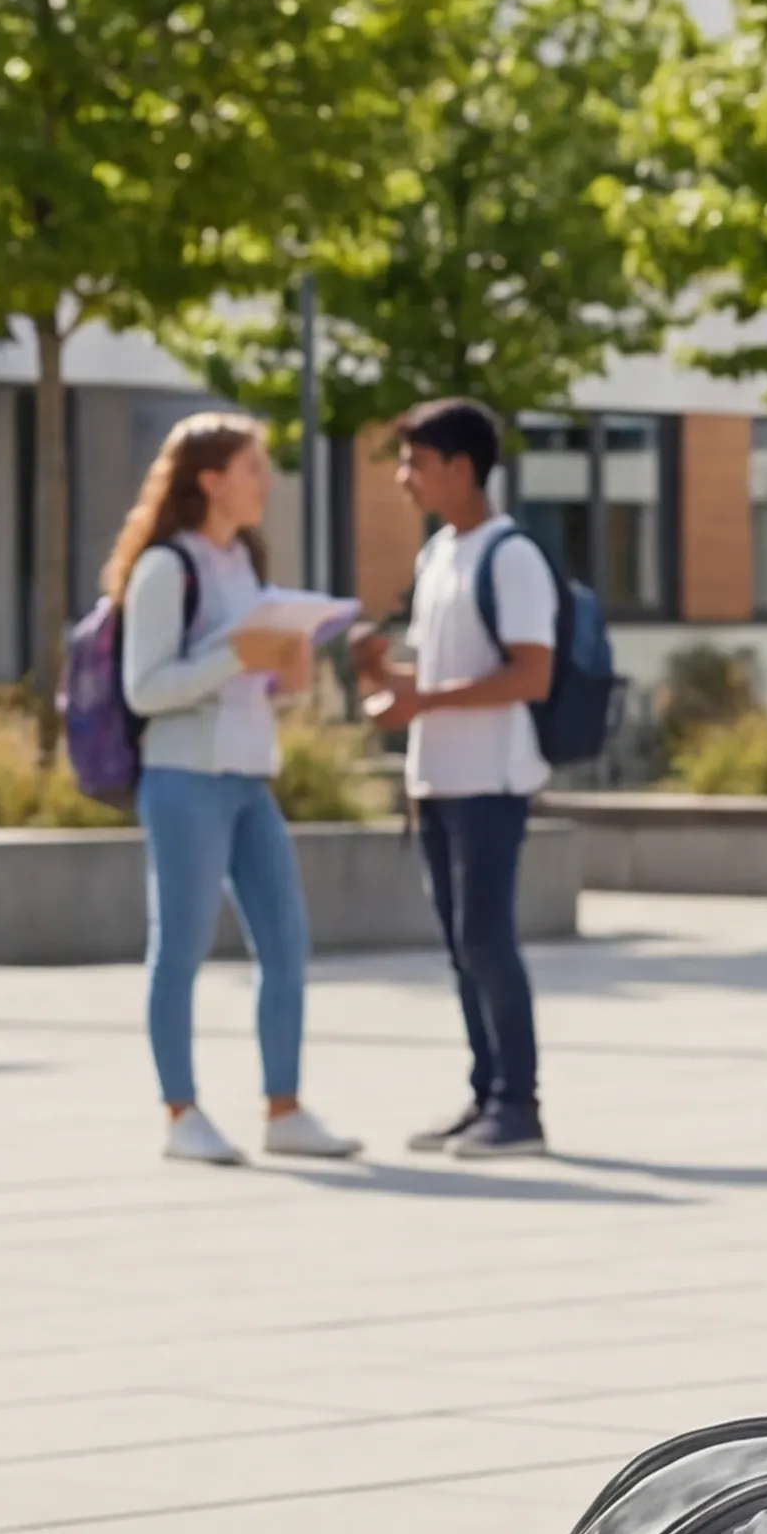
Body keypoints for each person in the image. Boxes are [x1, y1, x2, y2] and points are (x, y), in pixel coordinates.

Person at [109, 411, 360, 1168]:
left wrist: (288, 669)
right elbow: (145, 689)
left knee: (285, 944)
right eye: (254, 467)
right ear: (210, 480)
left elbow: (255, 680)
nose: (266, 481)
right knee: (179, 948)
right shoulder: (165, 568)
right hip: (184, 779)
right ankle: (180, 1112)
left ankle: (283, 1109)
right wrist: (233, 658)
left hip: (250, 776)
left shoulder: (245, 564)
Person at [353, 400, 556, 1155]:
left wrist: (419, 699)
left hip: (492, 781)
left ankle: (519, 1105)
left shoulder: (513, 557)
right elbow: (441, 676)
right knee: (459, 944)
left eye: (416, 462)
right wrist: (386, 676)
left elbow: (531, 676)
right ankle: (485, 1095)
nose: (404, 479)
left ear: (461, 468)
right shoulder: (438, 555)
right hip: (437, 781)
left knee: (487, 938)